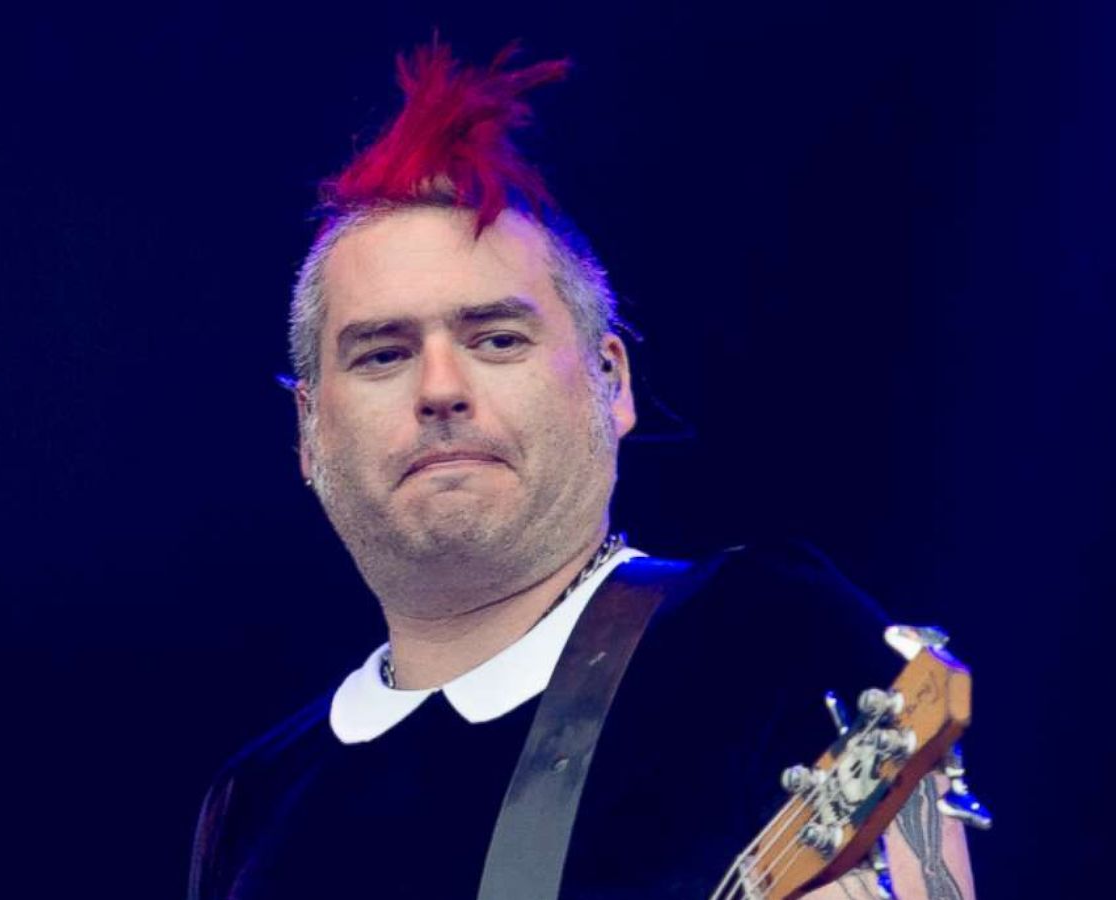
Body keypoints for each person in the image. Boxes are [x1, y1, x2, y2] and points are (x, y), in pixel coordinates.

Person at [188, 41, 977, 900]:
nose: (441, 388)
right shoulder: (254, 800)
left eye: (496, 339)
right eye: (382, 354)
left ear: (613, 381)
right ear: (308, 429)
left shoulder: (770, 631)